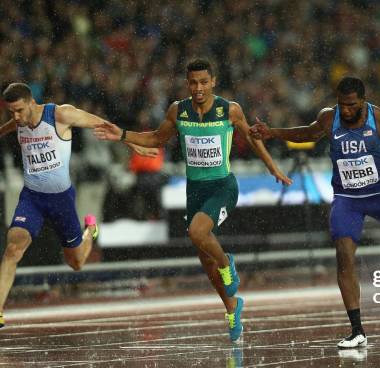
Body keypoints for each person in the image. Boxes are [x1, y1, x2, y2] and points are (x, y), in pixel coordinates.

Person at [94, 58, 291, 343]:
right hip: (194, 190)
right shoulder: (178, 110)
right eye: (193, 83)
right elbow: (156, 139)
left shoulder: (229, 109)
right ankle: (232, 306)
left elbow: (251, 137)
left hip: (222, 186)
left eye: (203, 82)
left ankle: (228, 263)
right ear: (188, 84)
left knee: (198, 233)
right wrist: (122, 135)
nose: (198, 88)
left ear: (213, 82)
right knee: (205, 260)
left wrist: (272, 167)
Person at [250, 76, 380, 348]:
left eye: (351, 105)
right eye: (341, 104)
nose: (345, 110)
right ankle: (357, 330)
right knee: (344, 254)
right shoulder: (329, 118)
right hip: (347, 199)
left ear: (362, 101)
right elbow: (307, 133)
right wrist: (273, 133)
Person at [0, 83, 156, 328]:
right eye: (11, 112)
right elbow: (9, 127)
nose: (15, 117)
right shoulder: (18, 121)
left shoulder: (60, 115)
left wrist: (131, 142)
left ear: (32, 103)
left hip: (61, 200)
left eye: (19, 110)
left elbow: (101, 124)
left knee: (76, 263)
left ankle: (89, 232)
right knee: (12, 250)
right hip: (31, 198)